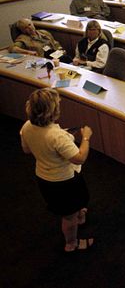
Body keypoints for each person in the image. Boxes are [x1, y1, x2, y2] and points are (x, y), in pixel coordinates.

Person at [20, 88, 94, 252]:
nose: (60, 106)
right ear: (51, 111)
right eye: (58, 104)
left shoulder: (26, 126)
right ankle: (71, 244)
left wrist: (47, 148)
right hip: (63, 182)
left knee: (76, 203)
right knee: (68, 217)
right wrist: (86, 137)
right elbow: (80, 157)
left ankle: (79, 216)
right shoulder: (56, 136)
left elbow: (26, 150)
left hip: (45, 177)